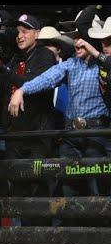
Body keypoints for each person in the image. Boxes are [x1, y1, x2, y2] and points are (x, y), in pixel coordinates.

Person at [9, 26, 111, 199]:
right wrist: (22, 90)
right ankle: (72, 224)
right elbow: (46, 78)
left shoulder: (105, 65)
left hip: (97, 133)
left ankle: (100, 224)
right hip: (72, 134)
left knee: (98, 186)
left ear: (90, 43)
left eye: (81, 41)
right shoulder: (71, 64)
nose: (77, 44)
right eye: (76, 41)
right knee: (69, 186)